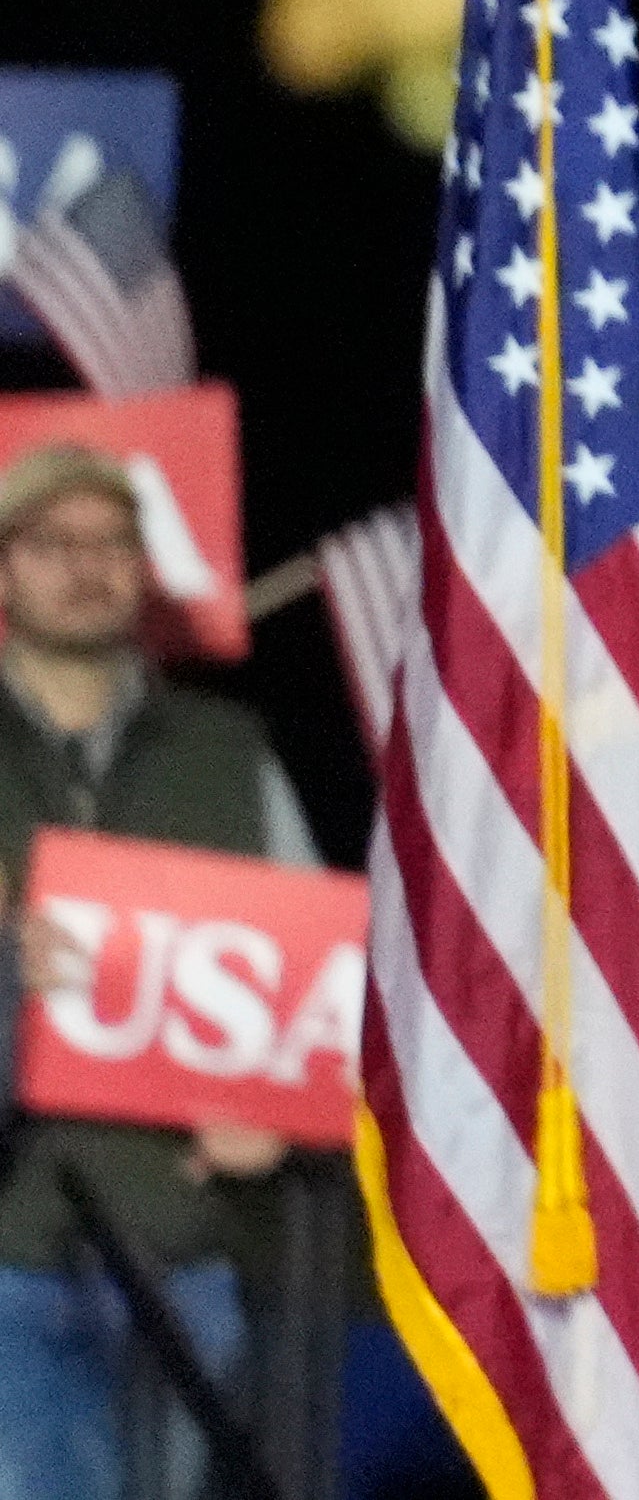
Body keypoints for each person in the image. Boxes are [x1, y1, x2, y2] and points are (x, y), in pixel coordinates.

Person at [0, 442, 317, 1500]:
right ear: (4, 570)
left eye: (112, 542)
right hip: (11, 1252)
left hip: (185, 1254)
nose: (86, 566)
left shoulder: (229, 752)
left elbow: (308, 978)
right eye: (52, 543)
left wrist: (272, 1106)